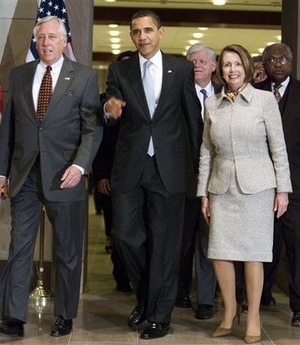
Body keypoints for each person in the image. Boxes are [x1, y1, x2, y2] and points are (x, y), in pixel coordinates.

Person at [0, 16, 102, 337]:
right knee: (19, 248)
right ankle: (13, 318)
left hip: (65, 176)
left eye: (53, 37)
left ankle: (64, 315)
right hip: (24, 176)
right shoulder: (21, 74)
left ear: (65, 41)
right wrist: (0, 171)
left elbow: (92, 129)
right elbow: (9, 127)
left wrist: (79, 167)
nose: (47, 43)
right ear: (36, 42)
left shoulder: (83, 78)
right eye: (42, 38)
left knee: (67, 251)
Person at [104, 9, 202, 340]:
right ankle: (147, 297)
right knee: (124, 236)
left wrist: (198, 175)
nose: (142, 36)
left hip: (170, 170)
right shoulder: (120, 69)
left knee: (165, 244)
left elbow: (193, 123)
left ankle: (160, 315)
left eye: (148, 30)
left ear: (160, 32)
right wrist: (109, 109)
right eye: (136, 32)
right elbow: (110, 107)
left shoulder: (181, 69)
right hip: (131, 168)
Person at [197, 44, 291, 344]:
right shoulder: (212, 104)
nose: (232, 70)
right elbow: (206, 152)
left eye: (237, 64)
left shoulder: (264, 101)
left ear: (247, 68)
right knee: (220, 253)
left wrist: (283, 190)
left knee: (254, 254)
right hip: (221, 187)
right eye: (226, 65)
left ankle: (252, 315)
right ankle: (230, 309)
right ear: (220, 70)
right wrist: (203, 193)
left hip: (258, 188)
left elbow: (278, 148)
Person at [257, 43, 300, 328]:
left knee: (296, 247)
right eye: (271, 59)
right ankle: (258, 297)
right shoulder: (254, 92)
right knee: (261, 245)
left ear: (291, 61)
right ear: (264, 63)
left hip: (296, 185)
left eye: (283, 58)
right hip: (259, 184)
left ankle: (298, 307)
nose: (277, 63)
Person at [176, 43, 218, 320]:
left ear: (214, 66)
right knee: (181, 240)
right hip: (181, 179)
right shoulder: (177, 93)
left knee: (208, 241)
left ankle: (205, 299)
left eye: (203, 61)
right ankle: (180, 291)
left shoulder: (227, 94)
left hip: (216, 179)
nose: (197, 65)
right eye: (192, 60)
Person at [93, 50, 135, 292]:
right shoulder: (103, 102)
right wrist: (100, 175)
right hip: (110, 179)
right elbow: (98, 143)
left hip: (140, 179)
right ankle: (121, 277)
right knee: (115, 231)